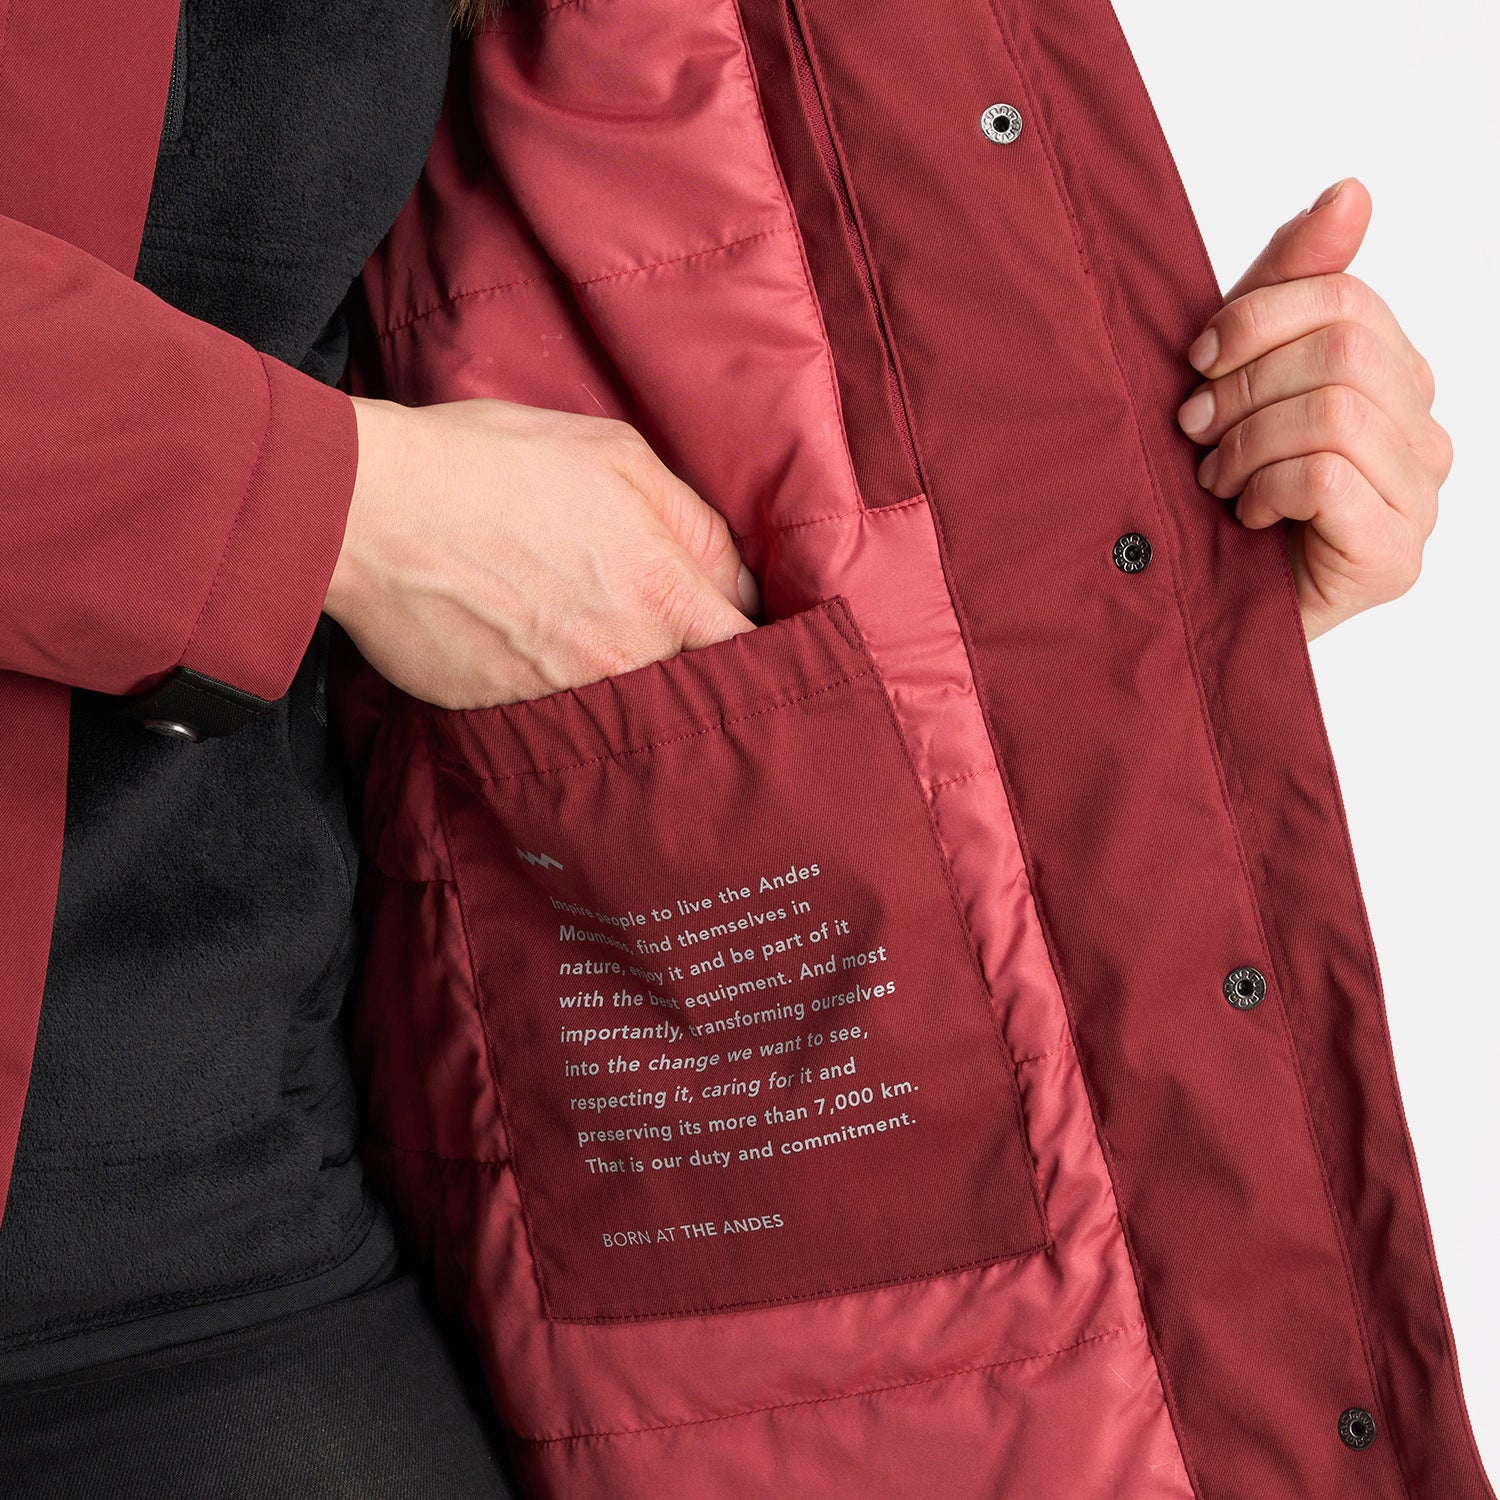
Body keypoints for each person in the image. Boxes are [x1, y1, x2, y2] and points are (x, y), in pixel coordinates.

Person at [0, 2, 1453, 1496]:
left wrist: (1177, 598)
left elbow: (678, 387)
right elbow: (408, 521)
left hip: (237, 1196)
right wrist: (361, 513)